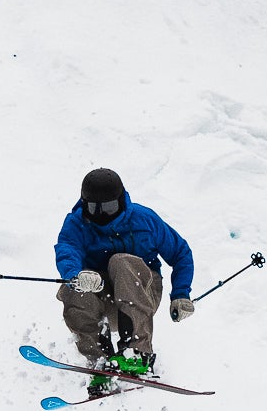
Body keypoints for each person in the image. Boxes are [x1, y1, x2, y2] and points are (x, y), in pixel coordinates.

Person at [54, 167, 193, 392]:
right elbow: (67, 250)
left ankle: (138, 353)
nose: (101, 215)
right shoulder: (76, 224)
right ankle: (101, 364)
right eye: (93, 207)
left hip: (142, 292)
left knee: (120, 262)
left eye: (108, 207)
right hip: (103, 299)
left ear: (121, 201)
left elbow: (181, 253)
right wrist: (75, 276)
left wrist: (180, 294)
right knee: (70, 288)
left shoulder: (144, 219)